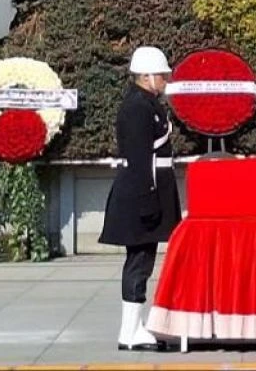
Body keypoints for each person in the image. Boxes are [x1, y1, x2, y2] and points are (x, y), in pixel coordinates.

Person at [99, 46, 183, 351]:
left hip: (148, 192)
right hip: (140, 195)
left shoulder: (147, 103)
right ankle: (130, 331)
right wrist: (148, 200)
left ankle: (134, 327)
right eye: (161, 75)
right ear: (147, 76)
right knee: (138, 263)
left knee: (143, 262)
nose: (164, 80)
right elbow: (138, 159)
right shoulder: (137, 107)